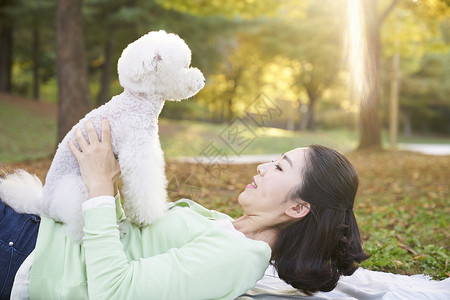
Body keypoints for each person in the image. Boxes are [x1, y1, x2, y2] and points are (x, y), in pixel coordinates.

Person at [0, 119, 368, 299]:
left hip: (28, 257)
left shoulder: (236, 257)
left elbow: (114, 291)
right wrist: (109, 187)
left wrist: (98, 186)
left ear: (299, 207)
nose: (262, 167)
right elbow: (124, 241)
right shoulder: (227, 227)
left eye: (280, 167)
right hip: (38, 233)